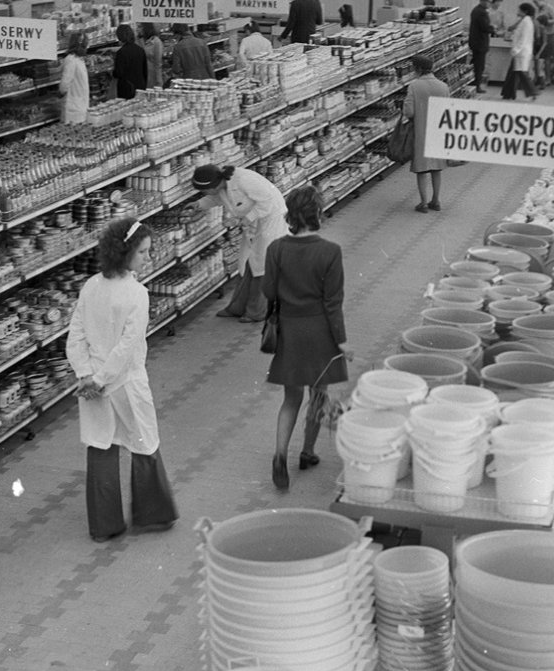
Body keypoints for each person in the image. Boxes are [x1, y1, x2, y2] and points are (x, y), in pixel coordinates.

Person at [66, 218, 179, 542]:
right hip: (126, 382)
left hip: (94, 388)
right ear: (125, 252)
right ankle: (153, 516)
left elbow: (76, 335)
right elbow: (127, 348)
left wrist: (86, 375)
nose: (147, 257)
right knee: (144, 441)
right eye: (142, 252)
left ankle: (104, 525)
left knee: (101, 446)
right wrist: (101, 378)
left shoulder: (91, 286)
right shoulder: (136, 294)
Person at [262, 185, 350, 490]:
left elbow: (269, 292)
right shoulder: (330, 252)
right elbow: (332, 302)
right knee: (318, 395)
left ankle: (279, 455)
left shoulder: (276, 249)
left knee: (291, 398)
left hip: (289, 329)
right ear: (318, 214)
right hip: (321, 333)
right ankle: (308, 451)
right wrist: (341, 341)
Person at [191, 164, 289, 322]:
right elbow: (217, 197)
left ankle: (257, 312)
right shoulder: (222, 185)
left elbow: (268, 202)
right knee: (246, 265)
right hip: (254, 225)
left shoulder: (244, 180)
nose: (203, 193)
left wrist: (245, 218)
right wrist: (200, 204)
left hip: (270, 222)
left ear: (213, 185)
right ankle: (237, 307)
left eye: (204, 191)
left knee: (262, 268)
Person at [403, 55, 449, 213]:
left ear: (418, 69)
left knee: (422, 169)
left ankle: (423, 202)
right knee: (437, 168)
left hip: (421, 131)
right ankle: (436, 200)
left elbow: (409, 112)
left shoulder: (414, 86)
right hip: (438, 132)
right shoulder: (443, 86)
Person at [502, 3, 538, 102]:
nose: (517, 11)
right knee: (513, 73)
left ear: (525, 11)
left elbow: (524, 38)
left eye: (519, 9)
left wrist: (516, 49)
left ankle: (533, 92)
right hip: (521, 52)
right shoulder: (524, 21)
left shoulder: (526, 22)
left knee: (522, 73)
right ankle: (508, 93)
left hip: (522, 52)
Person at [59, 34, 90, 124]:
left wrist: (60, 92)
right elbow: (65, 83)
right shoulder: (71, 60)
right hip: (74, 105)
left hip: (77, 104)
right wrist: (62, 91)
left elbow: (63, 86)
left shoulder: (76, 59)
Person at [112, 24, 147, 100]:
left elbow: (119, 73)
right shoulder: (140, 50)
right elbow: (145, 71)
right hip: (140, 87)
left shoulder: (121, 52)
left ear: (119, 36)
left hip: (127, 89)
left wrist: (112, 72)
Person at [469, 0, 495, 93]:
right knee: (479, 66)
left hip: (475, 42)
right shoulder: (482, 12)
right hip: (480, 43)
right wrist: (493, 29)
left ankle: (472, 82)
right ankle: (477, 86)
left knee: (475, 64)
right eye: (488, 2)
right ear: (483, 1)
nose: (490, 4)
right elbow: (485, 28)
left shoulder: (476, 10)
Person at [139, 23, 164, 90]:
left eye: (140, 27)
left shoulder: (156, 42)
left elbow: (158, 63)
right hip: (140, 74)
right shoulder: (139, 41)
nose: (137, 29)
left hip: (152, 75)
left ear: (146, 28)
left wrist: (158, 80)